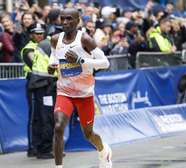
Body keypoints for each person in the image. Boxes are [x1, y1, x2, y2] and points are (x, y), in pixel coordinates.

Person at [47, 8, 112, 168]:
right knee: (58, 126)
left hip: (84, 94)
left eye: (69, 19)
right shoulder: (55, 39)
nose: (65, 22)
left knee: (88, 134)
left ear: (78, 21)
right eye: (62, 19)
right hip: (65, 92)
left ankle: (104, 151)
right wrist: (50, 66)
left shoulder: (85, 39)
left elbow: (105, 63)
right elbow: (53, 56)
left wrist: (81, 60)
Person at [21, 23, 56, 159]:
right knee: (35, 117)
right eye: (36, 33)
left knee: (46, 116)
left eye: (41, 33)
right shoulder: (28, 49)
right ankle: (33, 147)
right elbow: (34, 65)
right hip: (34, 83)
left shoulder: (47, 45)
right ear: (31, 35)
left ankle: (44, 145)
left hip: (47, 83)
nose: (39, 35)